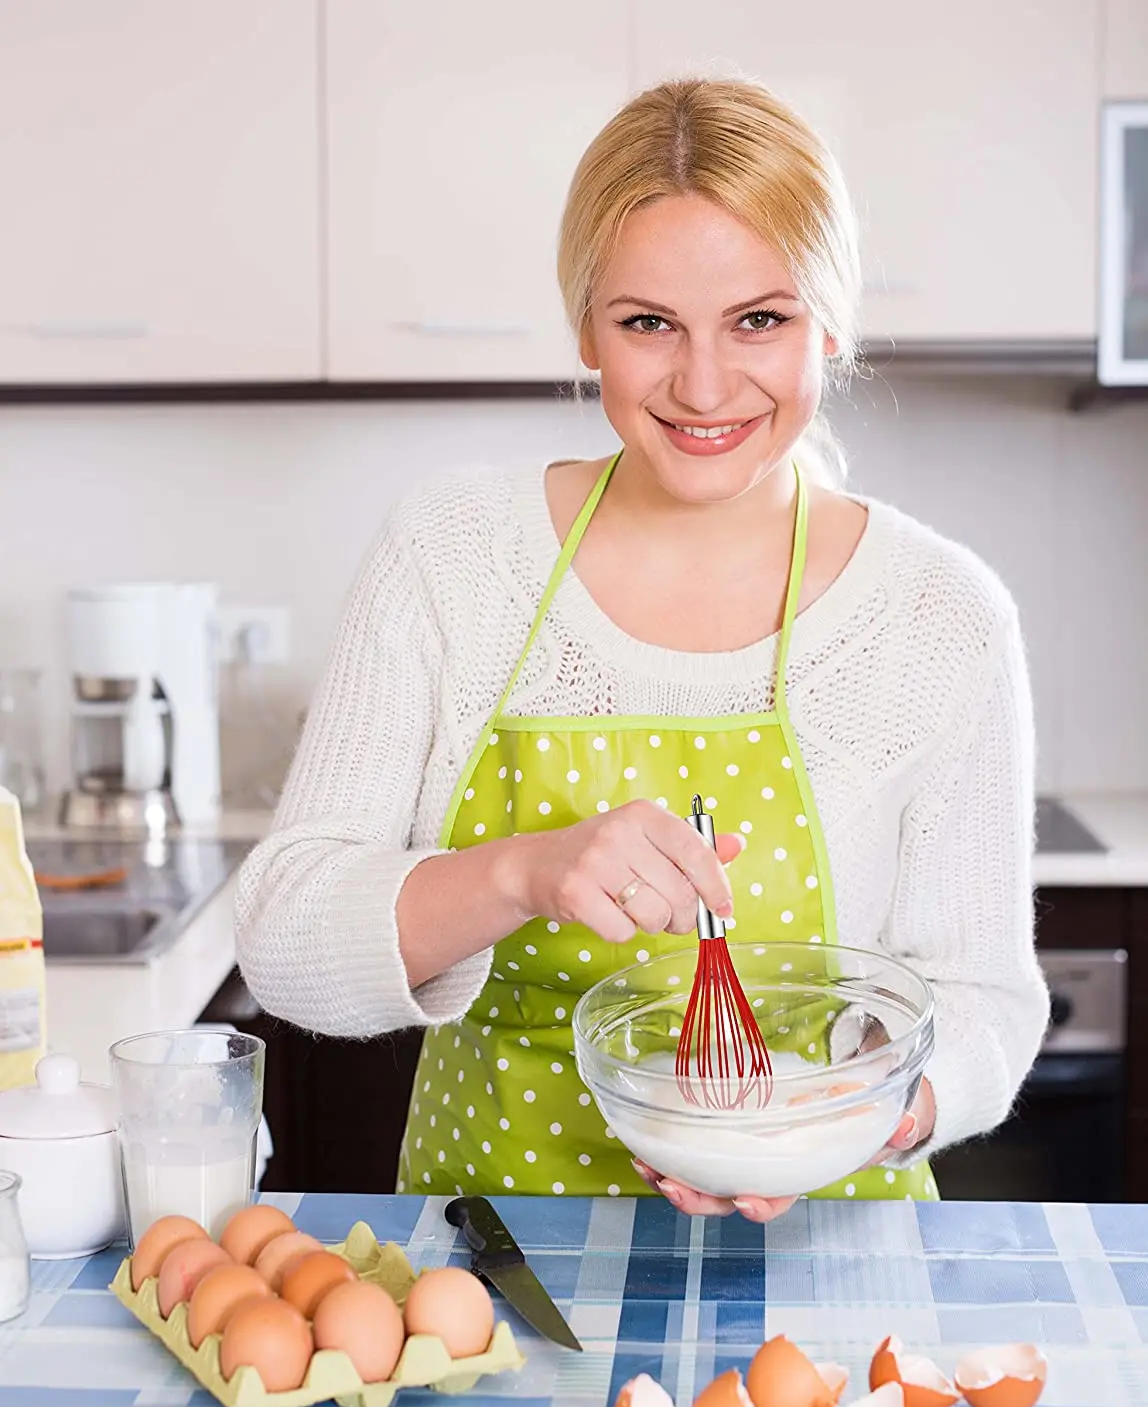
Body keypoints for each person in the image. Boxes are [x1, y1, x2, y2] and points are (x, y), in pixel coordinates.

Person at [236, 77, 1049, 1220]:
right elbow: (279, 938)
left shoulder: (936, 614)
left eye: (757, 320)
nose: (702, 384)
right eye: (647, 323)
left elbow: (985, 1002)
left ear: (829, 324)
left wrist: (859, 1115)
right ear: (586, 328)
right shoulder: (452, 555)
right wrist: (521, 871)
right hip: (500, 1273)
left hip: (825, 1255)